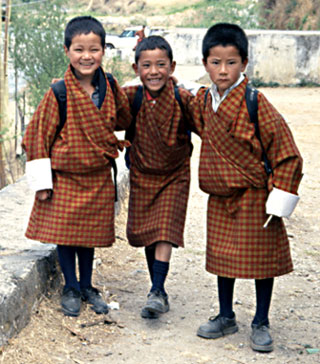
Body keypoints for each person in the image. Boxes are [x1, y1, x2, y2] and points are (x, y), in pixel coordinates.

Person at [190, 23, 303, 352]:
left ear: (244, 63)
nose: (223, 71)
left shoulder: (256, 103)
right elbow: (184, 111)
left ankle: (261, 321)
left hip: (255, 196)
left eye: (231, 63)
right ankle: (226, 315)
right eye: (215, 62)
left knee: (260, 261)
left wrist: (279, 196)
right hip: (220, 196)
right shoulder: (203, 102)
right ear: (204, 63)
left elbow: (287, 153)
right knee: (224, 258)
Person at [22, 16, 131, 317]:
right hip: (65, 177)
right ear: (67, 51)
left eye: (94, 49)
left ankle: (87, 286)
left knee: (90, 235)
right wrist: (43, 184)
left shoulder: (109, 85)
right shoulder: (58, 93)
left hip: (97, 175)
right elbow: (37, 136)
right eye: (79, 49)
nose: (87, 56)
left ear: (103, 51)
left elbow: (123, 117)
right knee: (67, 235)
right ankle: (70, 287)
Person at [123, 36, 194, 319]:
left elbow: (210, 122)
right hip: (142, 174)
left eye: (161, 65)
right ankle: (158, 289)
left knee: (165, 230)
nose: (154, 72)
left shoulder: (183, 98)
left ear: (172, 66)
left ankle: (156, 289)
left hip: (175, 175)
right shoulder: (132, 97)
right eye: (147, 65)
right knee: (149, 235)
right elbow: (103, 107)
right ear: (136, 68)